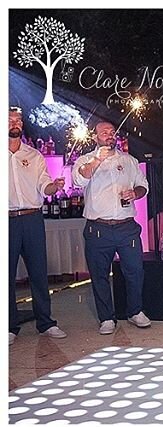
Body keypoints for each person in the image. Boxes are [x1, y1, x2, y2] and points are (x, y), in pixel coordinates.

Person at [72, 120, 151, 335]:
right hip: (98, 228)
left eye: (112, 131)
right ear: (95, 137)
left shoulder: (129, 160)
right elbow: (79, 180)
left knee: (135, 271)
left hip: (127, 226)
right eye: (104, 132)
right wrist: (97, 161)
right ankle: (106, 318)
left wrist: (135, 193)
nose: (109, 135)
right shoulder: (85, 160)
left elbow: (143, 185)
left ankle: (135, 311)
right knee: (99, 275)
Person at [9, 106, 67, 345]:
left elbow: (44, 185)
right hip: (6, 220)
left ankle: (46, 323)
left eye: (18, 119)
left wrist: (54, 186)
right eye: (10, 119)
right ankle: (9, 326)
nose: (15, 123)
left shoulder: (33, 155)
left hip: (32, 218)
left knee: (39, 272)